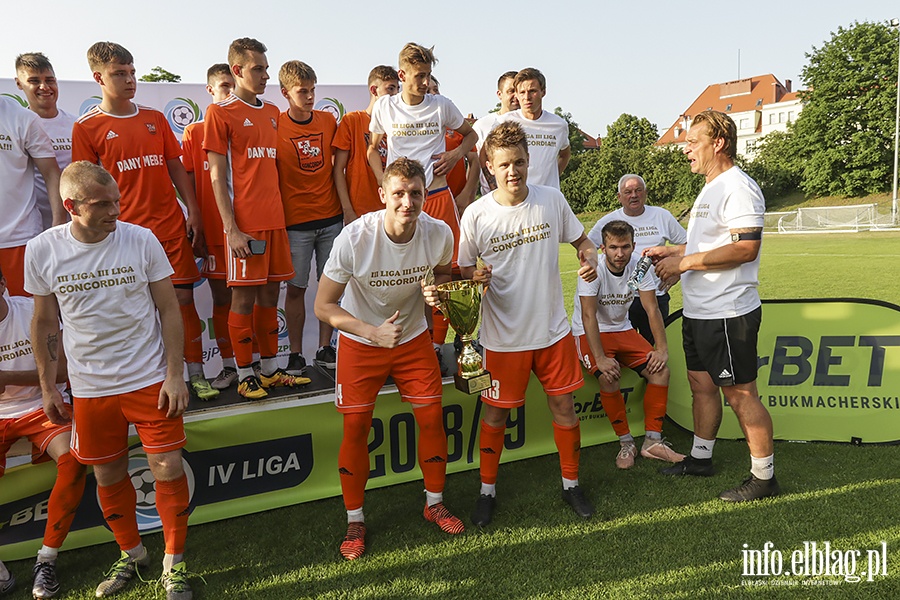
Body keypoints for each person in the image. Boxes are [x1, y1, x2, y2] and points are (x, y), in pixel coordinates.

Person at [26, 161, 196, 599]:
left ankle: (173, 564)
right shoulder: (42, 250)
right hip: (90, 388)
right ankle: (133, 554)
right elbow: (45, 322)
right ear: (71, 206)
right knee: (107, 476)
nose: (115, 211)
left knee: (168, 467)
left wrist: (175, 374)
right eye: (102, 204)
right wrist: (48, 387)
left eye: (117, 201)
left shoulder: (141, 239)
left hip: (149, 377)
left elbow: (169, 308)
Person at [314, 157, 464, 561]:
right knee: (356, 428)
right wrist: (370, 332)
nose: (407, 202)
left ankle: (434, 503)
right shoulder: (355, 237)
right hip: (363, 342)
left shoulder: (439, 233)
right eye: (398, 193)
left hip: (412, 339)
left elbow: (443, 277)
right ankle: (355, 519)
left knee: (432, 418)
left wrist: (437, 293)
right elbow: (323, 306)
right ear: (382, 195)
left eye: (415, 193)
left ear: (424, 195)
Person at [456, 121, 598, 526]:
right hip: (502, 338)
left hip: (552, 332)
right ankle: (487, 492)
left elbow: (582, 241)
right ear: (489, 165)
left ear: (529, 161)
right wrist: (475, 280)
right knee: (495, 415)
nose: (513, 171)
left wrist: (589, 259)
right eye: (504, 164)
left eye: (519, 162)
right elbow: (464, 271)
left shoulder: (551, 199)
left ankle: (571, 485)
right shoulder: (476, 214)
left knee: (564, 408)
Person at [71, 42, 219, 401]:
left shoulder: (154, 117)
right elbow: (83, 187)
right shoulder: (87, 127)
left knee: (183, 301)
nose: (129, 79)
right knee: (132, 307)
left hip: (169, 227)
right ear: (98, 78)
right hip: (123, 235)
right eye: (119, 73)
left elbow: (175, 168)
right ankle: (144, 379)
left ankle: (195, 375)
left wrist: (194, 212)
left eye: (132, 72)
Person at [647, 110, 779, 502]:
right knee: (701, 385)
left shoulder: (738, 187)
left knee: (740, 395)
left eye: (692, 142)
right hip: (700, 310)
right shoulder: (711, 185)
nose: (685, 149)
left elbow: (745, 247)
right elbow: (709, 247)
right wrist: (674, 252)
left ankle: (764, 477)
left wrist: (683, 262)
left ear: (718, 143)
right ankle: (701, 458)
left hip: (728, 311)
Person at [204, 38, 310, 399]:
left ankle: (269, 370)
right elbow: (217, 176)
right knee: (243, 301)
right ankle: (244, 372)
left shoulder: (271, 112)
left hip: (275, 222)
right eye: (258, 69)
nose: (265, 75)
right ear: (237, 71)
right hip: (245, 226)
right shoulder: (219, 113)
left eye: (266, 68)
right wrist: (231, 229)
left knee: (270, 297)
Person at [0, 267, 87, 599]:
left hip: (40, 404)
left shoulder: (31, 313)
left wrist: (7, 377)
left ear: (4, 285)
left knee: (73, 458)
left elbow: (65, 368)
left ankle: (46, 559)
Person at [575, 220, 685, 469]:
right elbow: (588, 316)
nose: (620, 253)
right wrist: (601, 358)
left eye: (625, 247)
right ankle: (626, 443)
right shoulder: (593, 270)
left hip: (622, 329)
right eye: (613, 247)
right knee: (608, 377)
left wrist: (661, 348)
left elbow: (651, 307)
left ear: (634, 246)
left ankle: (652, 441)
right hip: (590, 331)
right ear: (603, 248)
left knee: (661, 371)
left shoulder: (637, 267)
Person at [276, 60, 340, 375]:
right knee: (296, 289)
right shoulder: (275, 126)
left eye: (313, 90)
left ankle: (326, 348)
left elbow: (340, 167)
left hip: (331, 218)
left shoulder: (328, 121)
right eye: (303, 91)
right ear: (286, 92)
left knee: (331, 287)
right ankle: (296, 354)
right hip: (295, 223)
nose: (310, 97)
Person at [181, 64, 238, 390]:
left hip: (246, 231)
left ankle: (253, 365)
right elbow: (188, 180)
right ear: (210, 90)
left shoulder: (247, 126)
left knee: (251, 302)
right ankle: (229, 366)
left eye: (232, 85)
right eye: (223, 86)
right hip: (215, 235)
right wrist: (197, 221)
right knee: (222, 301)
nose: (228, 91)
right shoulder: (195, 132)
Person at [588, 174, 686, 345]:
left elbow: (689, 246)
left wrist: (678, 271)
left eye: (638, 190)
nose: (634, 195)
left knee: (657, 347)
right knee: (625, 349)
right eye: (628, 192)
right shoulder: (608, 221)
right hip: (621, 299)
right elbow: (588, 248)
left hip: (656, 294)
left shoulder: (662, 216)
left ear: (645, 193)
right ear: (619, 197)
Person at [0, 97, 63, 297]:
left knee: (28, 321)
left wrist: (58, 228)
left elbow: (51, 174)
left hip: (18, 240)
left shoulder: (22, 117)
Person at [15, 52, 75, 231]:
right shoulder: (17, 126)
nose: (44, 87)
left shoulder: (77, 124)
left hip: (77, 226)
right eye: (34, 81)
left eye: (50, 80)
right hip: (32, 229)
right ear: (19, 83)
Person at [332, 65, 399, 221]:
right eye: (390, 89)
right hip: (360, 211)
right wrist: (347, 210)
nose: (395, 94)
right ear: (374, 90)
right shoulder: (352, 120)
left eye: (397, 89)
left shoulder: (399, 124)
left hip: (392, 210)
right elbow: (338, 170)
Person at [485, 68, 570, 190]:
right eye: (522, 92)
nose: (527, 97)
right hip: (516, 197)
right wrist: (495, 185)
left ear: (543, 92)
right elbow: (485, 154)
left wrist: (553, 176)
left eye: (532, 91)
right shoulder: (505, 122)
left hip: (546, 198)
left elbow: (565, 153)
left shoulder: (559, 125)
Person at [472, 71, 519, 195]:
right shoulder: (482, 125)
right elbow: (475, 164)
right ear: (499, 94)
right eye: (511, 91)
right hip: (491, 199)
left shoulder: (532, 124)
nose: (516, 96)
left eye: (519, 91)